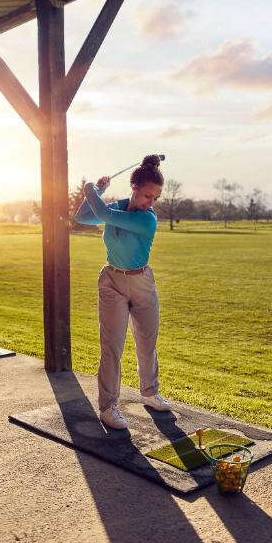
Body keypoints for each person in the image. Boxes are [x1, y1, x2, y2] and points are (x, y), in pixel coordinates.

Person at [75, 154, 170, 430]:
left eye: (155, 198)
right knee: (112, 346)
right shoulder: (117, 208)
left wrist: (91, 189)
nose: (150, 202)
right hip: (112, 282)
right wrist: (99, 192)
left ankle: (150, 392)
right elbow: (83, 217)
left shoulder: (147, 220)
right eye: (147, 196)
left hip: (142, 283)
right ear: (135, 188)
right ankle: (108, 407)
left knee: (146, 342)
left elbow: (103, 214)